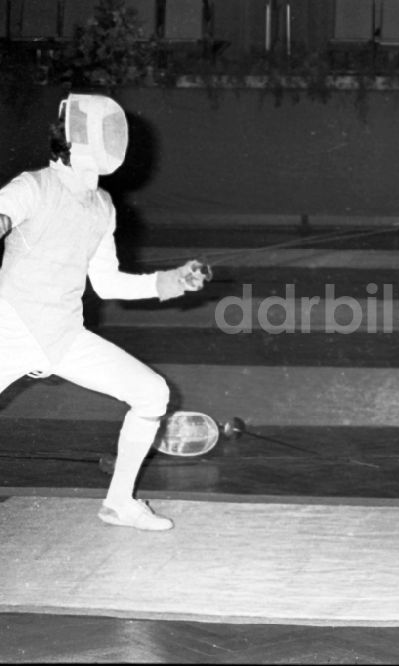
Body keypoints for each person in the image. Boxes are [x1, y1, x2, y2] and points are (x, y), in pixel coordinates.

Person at [0, 93, 207, 531]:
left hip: (63, 334)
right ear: (73, 141)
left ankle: (118, 503)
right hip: (11, 328)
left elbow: (108, 282)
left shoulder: (102, 206)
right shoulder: (33, 186)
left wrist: (169, 281)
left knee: (151, 392)